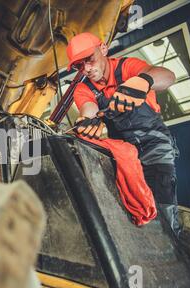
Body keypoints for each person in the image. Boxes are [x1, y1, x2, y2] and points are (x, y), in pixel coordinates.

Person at [67, 32, 181, 237]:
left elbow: (167, 76)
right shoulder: (83, 88)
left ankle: (174, 252)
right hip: (125, 153)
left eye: (89, 60)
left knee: (163, 211)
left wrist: (144, 81)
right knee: (129, 211)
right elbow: (89, 108)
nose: (87, 69)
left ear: (103, 49)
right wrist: (87, 121)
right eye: (79, 66)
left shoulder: (127, 67)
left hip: (154, 144)